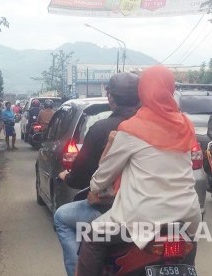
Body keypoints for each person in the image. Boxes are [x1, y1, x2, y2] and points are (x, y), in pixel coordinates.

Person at [76, 66, 201, 275]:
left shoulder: (132, 128)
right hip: (187, 213)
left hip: (141, 218)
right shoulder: (186, 124)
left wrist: (98, 181)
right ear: (171, 90)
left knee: (91, 235)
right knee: (187, 244)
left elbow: (99, 182)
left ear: (142, 91)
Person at [54, 72, 140, 276]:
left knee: (61, 217)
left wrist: (67, 176)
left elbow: (84, 178)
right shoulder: (163, 128)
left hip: (114, 208)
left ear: (111, 97)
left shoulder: (104, 129)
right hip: (160, 208)